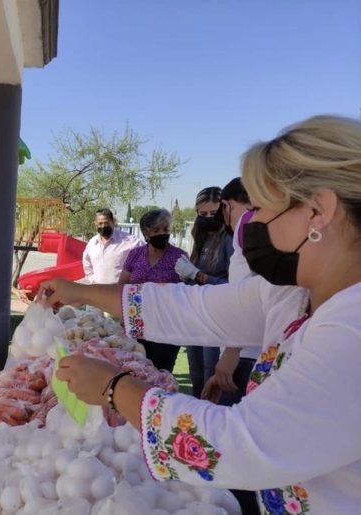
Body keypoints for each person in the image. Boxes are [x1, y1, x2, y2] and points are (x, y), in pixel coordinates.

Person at [44, 115, 361, 514]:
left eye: (264, 207)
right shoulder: (293, 295)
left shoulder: (353, 328)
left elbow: (240, 443)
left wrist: (116, 389)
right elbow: (192, 308)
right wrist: (81, 292)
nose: (252, 223)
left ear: (318, 211)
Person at [202, 178, 259, 406]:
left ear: (227, 205)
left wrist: (231, 351)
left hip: (245, 355)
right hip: (259, 351)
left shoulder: (247, 223)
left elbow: (248, 295)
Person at [174, 187, 234, 398]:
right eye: (202, 214)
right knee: (195, 371)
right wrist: (186, 276)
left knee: (211, 370)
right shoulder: (200, 238)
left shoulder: (229, 240)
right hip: (195, 313)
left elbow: (233, 286)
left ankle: (210, 416)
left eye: (213, 213)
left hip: (216, 316)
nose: (208, 218)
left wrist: (199, 276)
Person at [118, 208, 187, 372]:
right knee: (135, 369)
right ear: (146, 233)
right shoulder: (135, 254)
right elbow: (121, 285)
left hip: (166, 325)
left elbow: (186, 292)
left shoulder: (179, 256)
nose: (162, 233)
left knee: (161, 372)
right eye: (156, 230)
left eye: (165, 229)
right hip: (135, 322)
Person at [83, 207, 141, 284]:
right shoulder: (92, 243)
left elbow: (145, 258)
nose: (103, 226)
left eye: (106, 223)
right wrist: (93, 280)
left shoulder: (130, 241)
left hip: (120, 291)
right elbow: (87, 263)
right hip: (98, 290)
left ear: (112, 222)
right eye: (100, 223)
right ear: (95, 224)